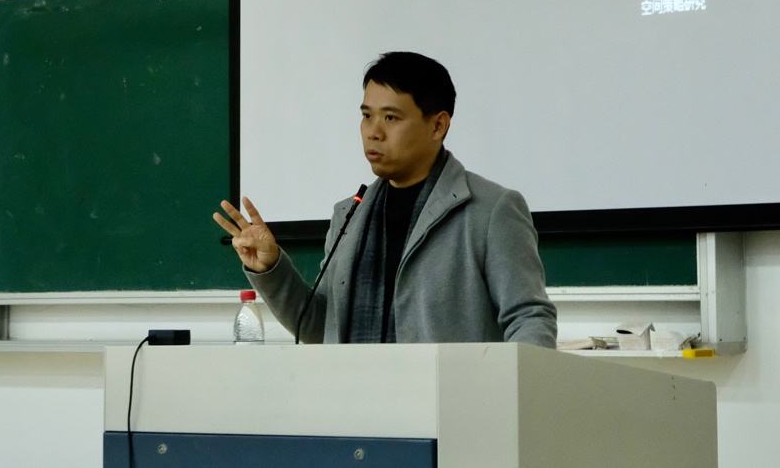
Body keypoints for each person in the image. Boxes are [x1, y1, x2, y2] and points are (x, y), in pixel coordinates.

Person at [213, 51, 557, 347]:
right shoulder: (349, 215)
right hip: (357, 399)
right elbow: (322, 327)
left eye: (390, 118)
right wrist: (272, 268)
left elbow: (530, 318)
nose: (373, 132)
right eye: (367, 116)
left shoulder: (490, 210)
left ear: (438, 126)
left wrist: (503, 393)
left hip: (450, 401)